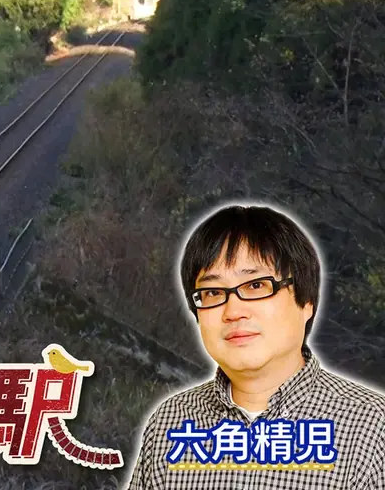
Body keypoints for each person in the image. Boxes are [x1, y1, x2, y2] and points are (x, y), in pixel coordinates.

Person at [127, 203, 385, 490]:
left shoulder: (372, 426)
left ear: (306, 302)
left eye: (256, 286)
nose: (233, 311)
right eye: (213, 292)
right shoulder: (170, 423)